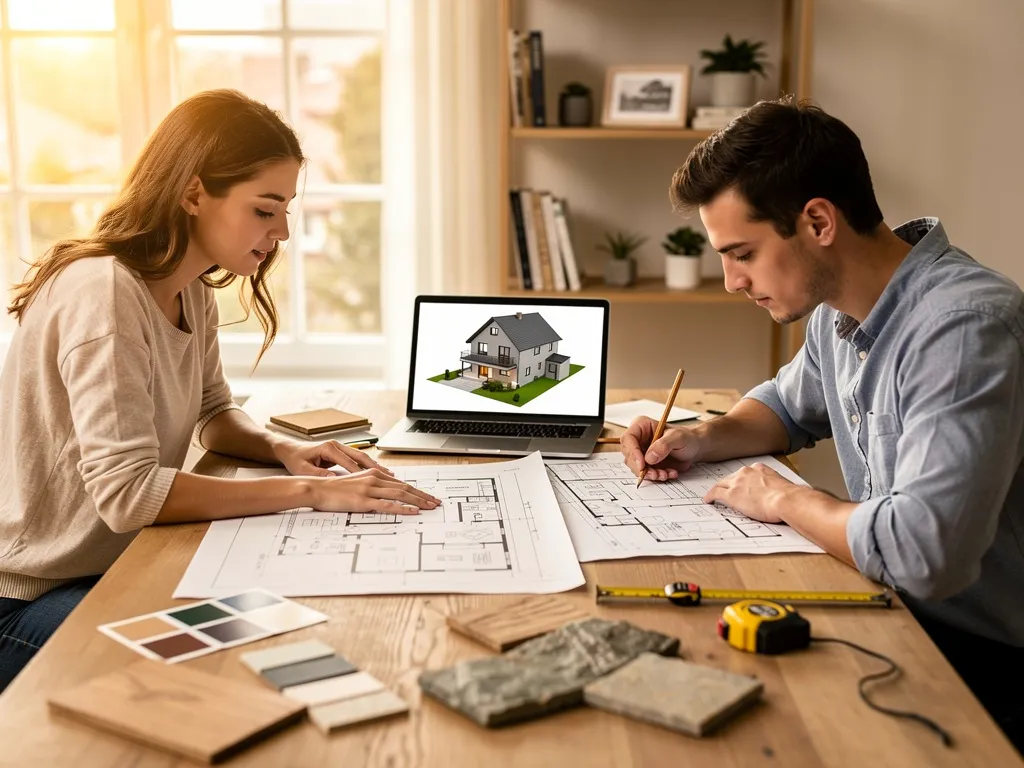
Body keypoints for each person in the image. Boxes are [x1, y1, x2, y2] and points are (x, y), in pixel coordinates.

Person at [0, 89, 441, 692]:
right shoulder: (103, 291)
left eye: (284, 210)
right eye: (265, 209)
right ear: (192, 192)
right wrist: (309, 491)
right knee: (229, 669)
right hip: (26, 596)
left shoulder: (193, 292)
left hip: (111, 565)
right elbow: (127, 493)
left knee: (288, 629)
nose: (282, 231)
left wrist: (282, 450)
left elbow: (212, 412)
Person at [620, 97, 1024, 752]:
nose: (729, 281)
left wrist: (787, 499)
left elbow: (925, 555)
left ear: (816, 221)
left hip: (979, 660)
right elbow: (782, 409)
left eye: (741, 252)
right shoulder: (838, 316)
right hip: (893, 613)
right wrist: (698, 438)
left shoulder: (964, 327)